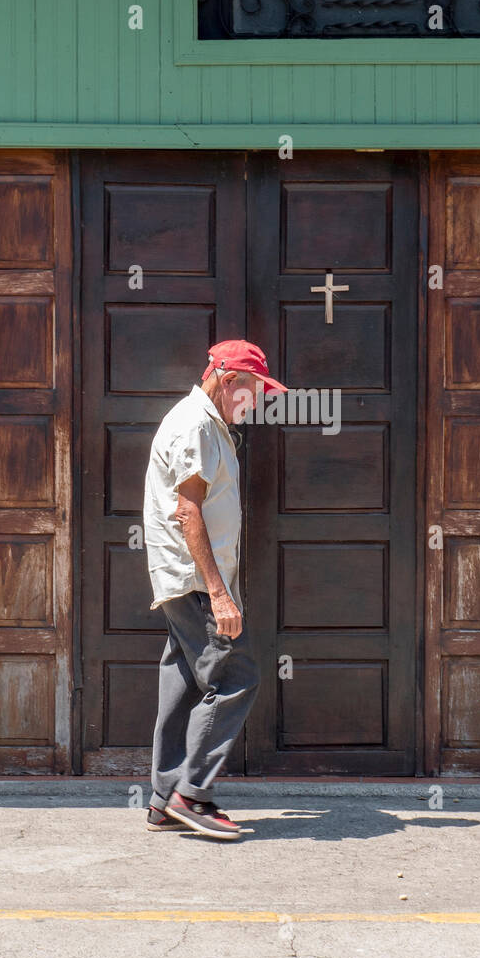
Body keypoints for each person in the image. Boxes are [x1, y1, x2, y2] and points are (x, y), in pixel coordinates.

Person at [142, 339, 286, 840]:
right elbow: (188, 511)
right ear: (229, 381)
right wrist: (219, 593)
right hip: (195, 581)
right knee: (237, 675)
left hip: (185, 579)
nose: (259, 401)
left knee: (183, 681)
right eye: (255, 391)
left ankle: (164, 800)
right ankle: (192, 794)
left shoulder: (207, 422)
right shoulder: (197, 425)